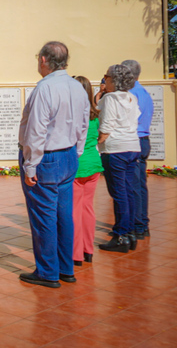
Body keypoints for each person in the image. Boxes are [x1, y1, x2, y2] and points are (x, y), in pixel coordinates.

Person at [18, 41, 89, 288]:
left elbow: (37, 130)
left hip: (46, 158)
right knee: (63, 214)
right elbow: (83, 124)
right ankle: (65, 268)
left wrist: (30, 165)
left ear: (44, 60)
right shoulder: (77, 86)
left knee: (44, 216)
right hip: (68, 154)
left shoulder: (45, 88)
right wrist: (76, 152)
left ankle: (48, 271)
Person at [97, 64, 141, 252]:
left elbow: (106, 127)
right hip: (132, 146)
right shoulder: (131, 97)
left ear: (114, 79)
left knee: (119, 194)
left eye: (106, 76)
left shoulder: (111, 98)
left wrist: (95, 145)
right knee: (129, 192)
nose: (104, 79)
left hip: (115, 150)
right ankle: (130, 232)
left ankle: (121, 235)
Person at [71, 76, 103, 266]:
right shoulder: (95, 115)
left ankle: (76, 254)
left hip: (78, 166)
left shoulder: (75, 116)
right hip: (93, 165)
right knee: (88, 209)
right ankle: (88, 249)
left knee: (75, 210)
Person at [121, 59, 153, 240]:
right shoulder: (144, 92)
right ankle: (141, 223)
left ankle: (137, 225)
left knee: (132, 186)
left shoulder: (131, 94)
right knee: (139, 185)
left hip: (134, 140)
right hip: (143, 139)